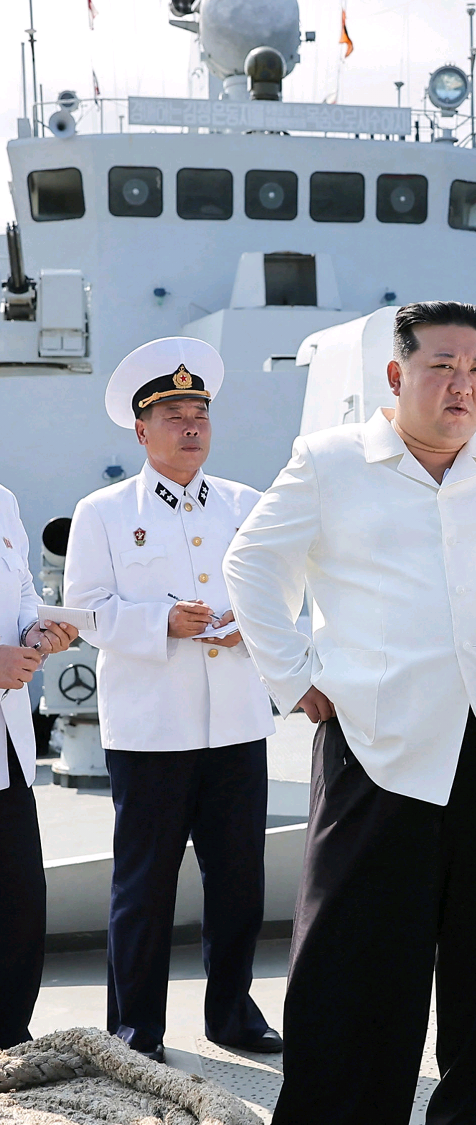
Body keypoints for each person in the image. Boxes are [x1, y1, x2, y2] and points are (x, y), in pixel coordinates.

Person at [224, 300, 476, 1125]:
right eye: (441, 366)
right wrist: (292, 676)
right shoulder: (331, 461)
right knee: (353, 975)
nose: (461, 384)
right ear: (396, 376)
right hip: (378, 747)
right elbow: (250, 561)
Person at [63, 337, 280, 1063]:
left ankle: (233, 1013)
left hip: (239, 725)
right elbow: (84, 611)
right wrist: (161, 619)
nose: (191, 424)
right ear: (141, 428)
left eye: (199, 412)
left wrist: (247, 628)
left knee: (239, 883)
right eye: (173, 413)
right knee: (143, 887)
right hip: (151, 730)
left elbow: (282, 599)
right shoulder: (101, 511)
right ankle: (135, 1028)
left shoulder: (247, 505)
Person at [0, 489, 77, 1048]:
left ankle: (9, 1043)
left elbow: (21, 587)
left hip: (9, 745)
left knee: (20, 904)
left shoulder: (3, 501)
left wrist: (35, 631)